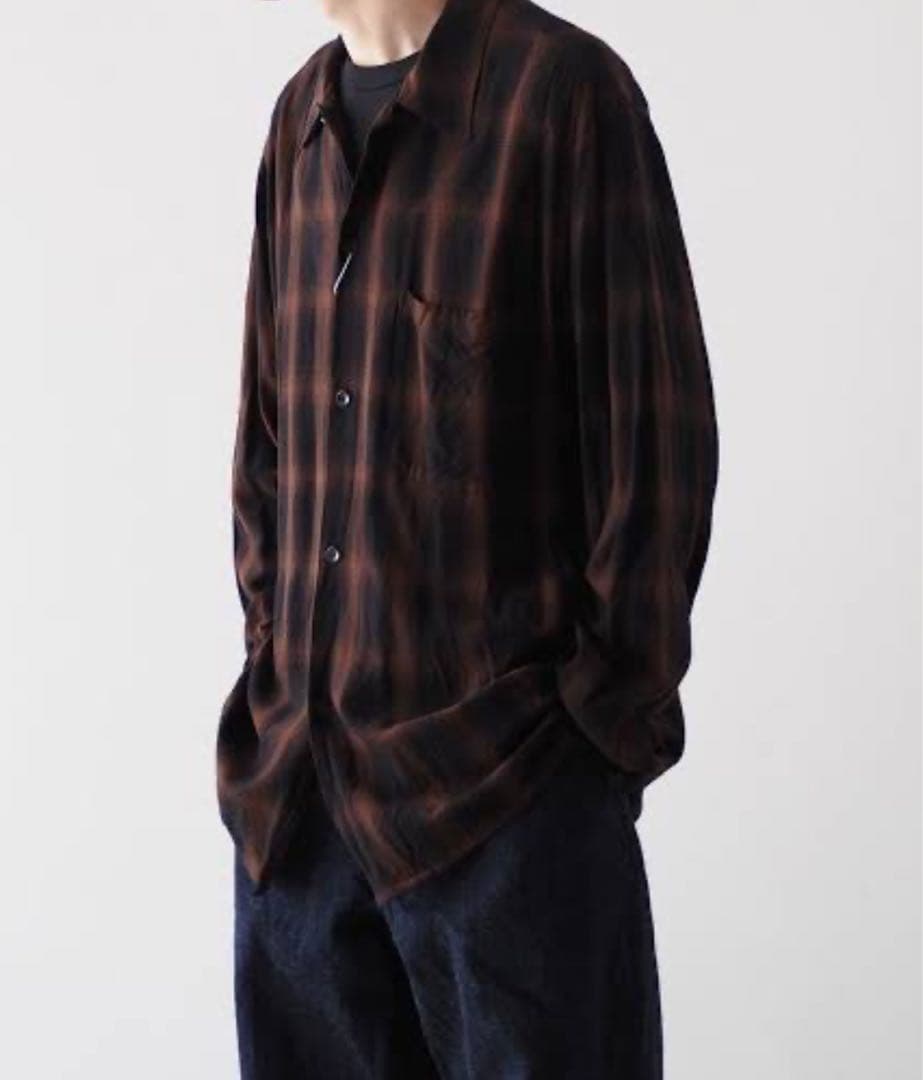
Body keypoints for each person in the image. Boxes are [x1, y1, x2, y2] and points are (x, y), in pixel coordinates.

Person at [215, 0, 719, 1075]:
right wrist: (275, 668)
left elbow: (653, 449)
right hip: (301, 828)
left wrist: (584, 752)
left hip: (505, 823)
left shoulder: (562, 99)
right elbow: (265, 450)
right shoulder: (297, 123)